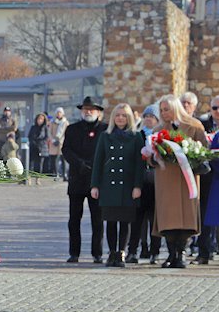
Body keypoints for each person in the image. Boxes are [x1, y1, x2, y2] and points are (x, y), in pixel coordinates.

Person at [153, 94, 210, 268]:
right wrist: (153, 158)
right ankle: (171, 253)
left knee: (186, 217)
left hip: (187, 178)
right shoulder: (159, 129)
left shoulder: (194, 126)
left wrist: (193, 155)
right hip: (166, 179)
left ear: (175, 108)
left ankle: (182, 253)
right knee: (168, 218)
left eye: (166, 109)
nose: (164, 113)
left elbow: (203, 151)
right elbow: (151, 153)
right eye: (161, 110)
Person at [90, 104, 145, 267]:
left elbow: (139, 165)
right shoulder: (105, 136)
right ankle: (112, 252)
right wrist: (95, 185)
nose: (120, 118)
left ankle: (121, 252)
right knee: (111, 221)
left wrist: (137, 186)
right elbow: (98, 162)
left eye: (124, 115)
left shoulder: (136, 137)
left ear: (129, 118)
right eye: (117, 115)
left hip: (128, 186)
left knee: (125, 221)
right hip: (109, 185)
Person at [62, 96, 107, 263]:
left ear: (98, 112)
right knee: (74, 219)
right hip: (77, 179)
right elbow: (66, 149)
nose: (88, 112)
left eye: (91, 109)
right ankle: (74, 253)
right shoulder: (72, 129)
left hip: (96, 181)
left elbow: (106, 152)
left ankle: (97, 253)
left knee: (98, 219)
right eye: (85, 109)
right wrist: (79, 164)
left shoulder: (104, 129)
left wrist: (95, 166)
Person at [127, 105, 162, 264]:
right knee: (136, 220)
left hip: (157, 183)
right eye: (146, 116)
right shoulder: (138, 135)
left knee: (155, 220)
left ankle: (155, 251)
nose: (149, 119)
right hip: (140, 183)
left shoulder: (161, 136)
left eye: (152, 116)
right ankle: (133, 250)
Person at [194, 95, 219, 264]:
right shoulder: (203, 125)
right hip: (208, 177)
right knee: (206, 216)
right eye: (215, 108)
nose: (218, 111)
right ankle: (204, 252)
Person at [27, 113, 50, 183]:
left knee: (39, 164)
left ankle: (38, 178)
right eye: (38, 119)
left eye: (41, 119)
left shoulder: (45, 128)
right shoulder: (33, 127)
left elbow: (46, 137)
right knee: (31, 163)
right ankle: (29, 177)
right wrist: (33, 143)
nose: (39, 120)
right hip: (33, 147)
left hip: (41, 148)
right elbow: (29, 136)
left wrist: (40, 143)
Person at [49, 107, 69, 181]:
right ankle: (55, 174)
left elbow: (67, 133)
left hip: (62, 143)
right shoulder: (52, 122)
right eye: (57, 112)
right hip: (54, 143)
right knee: (54, 160)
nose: (59, 114)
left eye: (60, 112)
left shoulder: (65, 122)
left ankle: (65, 175)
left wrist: (61, 140)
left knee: (64, 159)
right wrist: (53, 140)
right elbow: (49, 132)